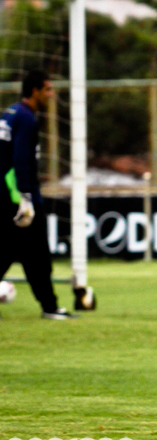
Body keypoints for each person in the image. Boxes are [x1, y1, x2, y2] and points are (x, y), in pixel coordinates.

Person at [0, 70, 78, 319]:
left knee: (19, 251)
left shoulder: (11, 113)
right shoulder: (26, 118)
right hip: (17, 196)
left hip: (6, 193)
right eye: (48, 89)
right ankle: (50, 307)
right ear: (34, 91)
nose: (52, 94)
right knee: (34, 254)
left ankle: (50, 306)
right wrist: (25, 197)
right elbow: (20, 160)